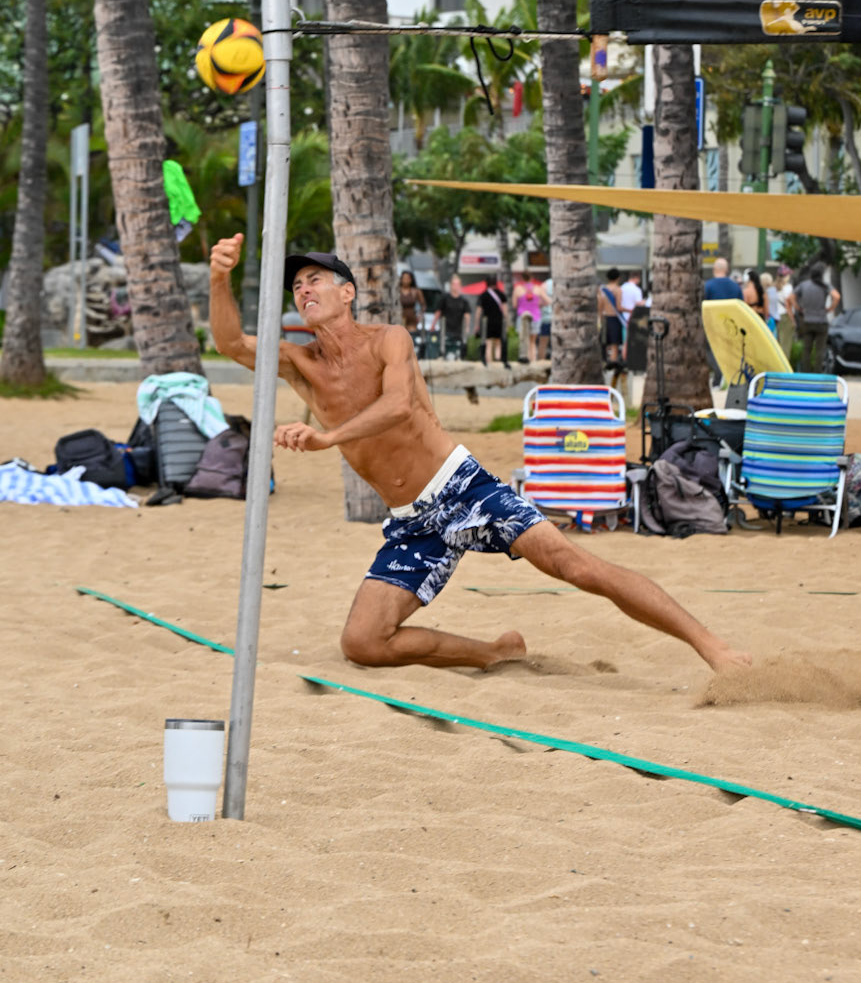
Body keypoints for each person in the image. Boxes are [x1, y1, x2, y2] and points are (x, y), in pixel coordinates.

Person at [208, 237, 749, 676]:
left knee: (573, 564)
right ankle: (493, 652)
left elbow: (397, 406)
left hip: (463, 488)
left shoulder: (388, 339)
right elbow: (231, 343)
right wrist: (219, 277)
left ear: (347, 293)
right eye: (297, 286)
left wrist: (328, 437)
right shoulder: (301, 362)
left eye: (315, 280)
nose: (304, 290)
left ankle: (713, 647)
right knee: (363, 643)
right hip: (412, 523)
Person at [794, 260, 840, 373]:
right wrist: (830, 309)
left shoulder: (804, 285)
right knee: (820, 349)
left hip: (807, 320)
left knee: (807, 349)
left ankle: (806, 372)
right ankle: (817, 372)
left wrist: (799, 308)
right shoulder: (824, 286)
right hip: (821, 321)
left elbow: (790, 297)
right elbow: (837, 296)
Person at [598, 269, 626, 383]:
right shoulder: (618, 290)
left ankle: (604, 365)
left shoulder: (602, 290)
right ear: (618, 278)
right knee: (614, 344)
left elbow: (599, 307)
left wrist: (600, 319)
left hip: (604, 318)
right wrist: (631, 309)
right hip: (614, 318)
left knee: (604, 343)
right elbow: (619, 307)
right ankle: (613, 369)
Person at [514, 269, 544, 364]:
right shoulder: (538, 289)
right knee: (533, 342)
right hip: (535, 317)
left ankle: (524, 359)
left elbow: (514, 305)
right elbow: (548, 300)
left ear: (522, 278)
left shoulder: (518, 289)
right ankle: (533, 362)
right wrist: (539, 304)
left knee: (524, 340)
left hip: (522, 317)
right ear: (532, 277)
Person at [479, 272, 507, 367]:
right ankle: (498, 362)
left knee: (489, 343)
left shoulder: (483, 295)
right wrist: (507, 322)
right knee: (499, 342)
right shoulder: (501, 294)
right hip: (499, 321)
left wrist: (477, 325)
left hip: (487, 322)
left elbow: (479, 311)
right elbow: (505, 310)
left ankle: (489, 363)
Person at [441, 273, 472, 359]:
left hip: (458, 331)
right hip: (446, 330)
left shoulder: (463, 301)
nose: (456, 286)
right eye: (454, 284)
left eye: (458, 284)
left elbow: (467, 314)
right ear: (451, 285)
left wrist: (467, 327)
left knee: (458, 352)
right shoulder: (445, 298)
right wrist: (433, 325)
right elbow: (438, 312)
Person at [772, 266, 797, 357]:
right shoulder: (788, 287)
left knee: (779, 344)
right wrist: (793, 320)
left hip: (777, 316)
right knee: (786, 345)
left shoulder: (774, 287)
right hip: (786, 316)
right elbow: (788, 305)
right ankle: (785, 370)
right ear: (786, 276)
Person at [397, 269, 422, 335]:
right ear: (401, 279)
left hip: (412, 320)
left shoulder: (415, 291)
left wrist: (420, 315)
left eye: (408, 278)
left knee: (411, 337)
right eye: (404, 278)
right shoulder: (397, 291)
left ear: (411, 280)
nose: (406, 280)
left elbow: (423, 305)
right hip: (399, 318)